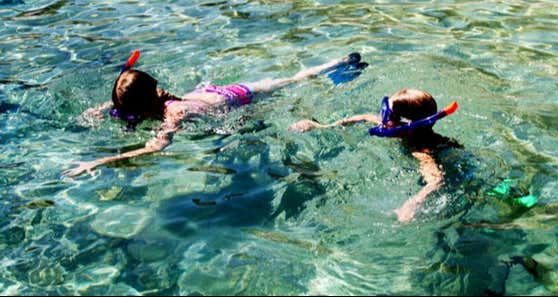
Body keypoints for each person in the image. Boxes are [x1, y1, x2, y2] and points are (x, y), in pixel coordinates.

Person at [65, 50, 366, 177]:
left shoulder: (175, 115)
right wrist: (106, 107)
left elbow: (154, 147)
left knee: (291, 102)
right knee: (292, 80)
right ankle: (336, 64)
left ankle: (334, 80)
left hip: (243, 107)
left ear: (141, 110)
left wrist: (101, 161)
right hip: (230, 91)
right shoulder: (165, 97)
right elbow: (135, 96)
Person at [288, 88, 460, 223]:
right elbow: (364, 117)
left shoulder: (421, 150)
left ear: (407, 125)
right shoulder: (396, 127)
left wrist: (410, 205)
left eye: (387, 115)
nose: (381, 119)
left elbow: (436, 180)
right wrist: (321, 126)